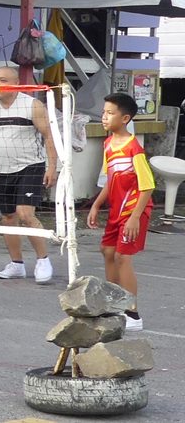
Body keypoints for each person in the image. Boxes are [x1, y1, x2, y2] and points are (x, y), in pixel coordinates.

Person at [0, 66, 57, 284]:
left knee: (25, 214)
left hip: (31, 166)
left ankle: (43, 260)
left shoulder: (32, 105)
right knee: (8, 217)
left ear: (16, 84)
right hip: (4, 169)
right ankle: (16, 264)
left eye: (2, 80)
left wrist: (52, 167)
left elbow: (49, 136)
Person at [87, 93, 154, 332]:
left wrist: (135, 217)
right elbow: (110, 179)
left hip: (134, 210)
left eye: (110, 113)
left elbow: (148, 185)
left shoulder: (134, 149)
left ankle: (133, 314)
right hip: (116, 210)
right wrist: (96, 205)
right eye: (103, 112)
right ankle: (114, 304)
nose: (104, 117)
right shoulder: (108, 144)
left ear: (125, 118)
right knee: (107, 252)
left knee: (122, 257)